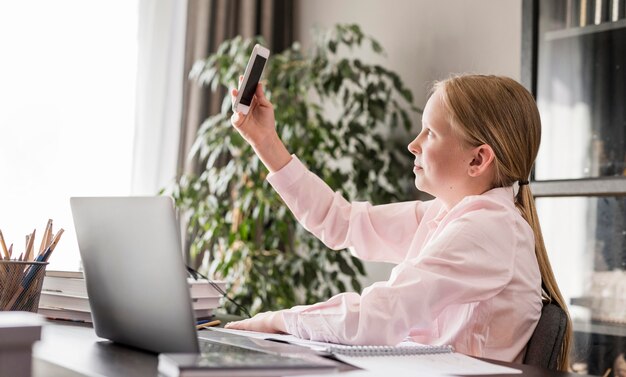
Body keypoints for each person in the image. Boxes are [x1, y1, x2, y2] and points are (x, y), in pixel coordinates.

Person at [224, 74, 572, 369]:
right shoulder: (447, 213)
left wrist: (274, 321)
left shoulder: (488, 230)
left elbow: (378, 317)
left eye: (429, 133)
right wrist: (265, 140)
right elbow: (341, 222)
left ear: (478, 159)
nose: (412, 145)